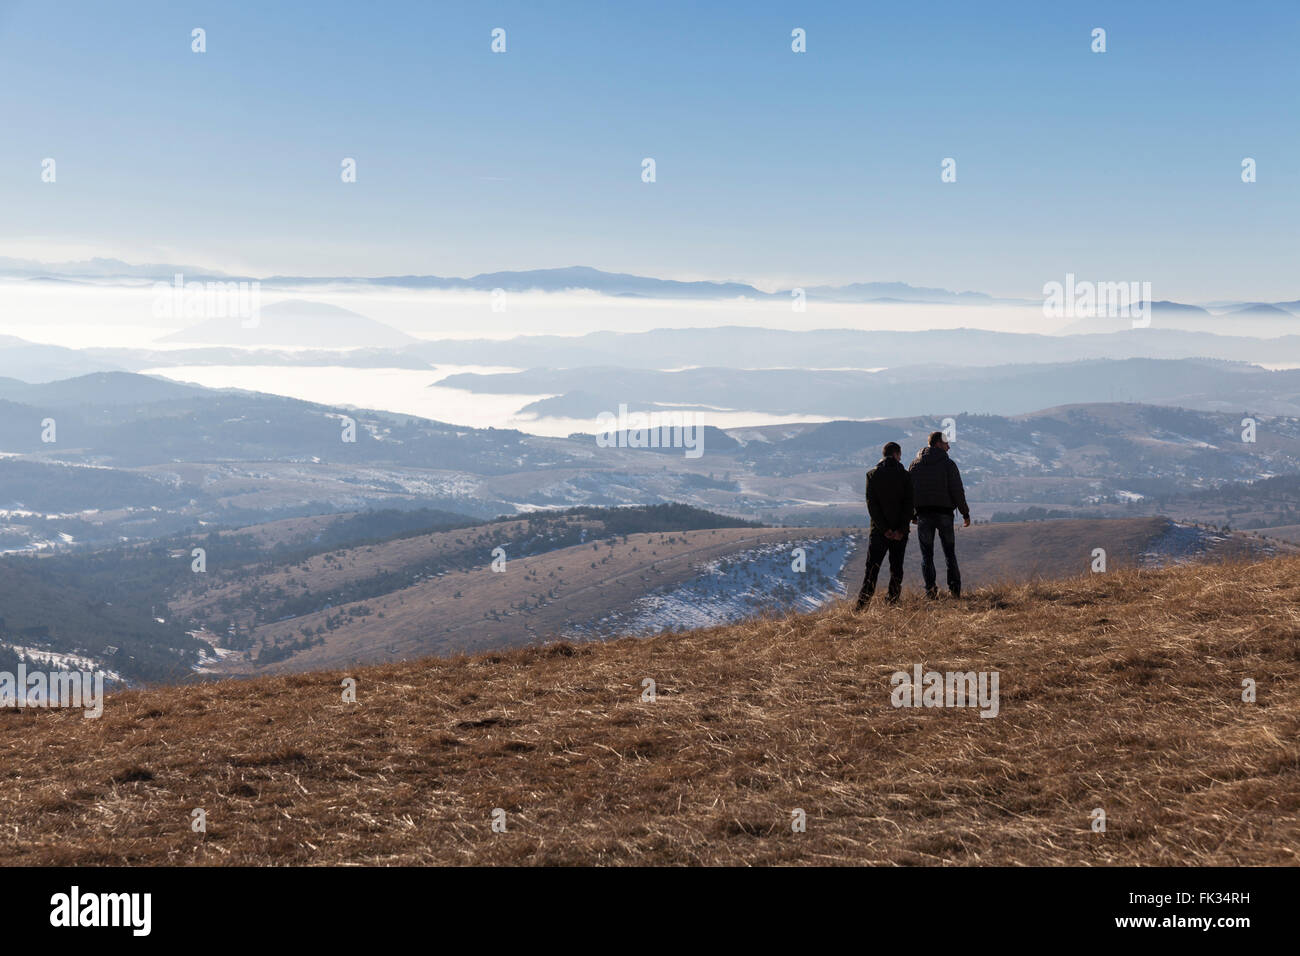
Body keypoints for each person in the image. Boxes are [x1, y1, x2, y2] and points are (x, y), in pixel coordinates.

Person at [908, 431, 970, 598]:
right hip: (944, 513)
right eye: (946, 444)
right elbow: (957, 490)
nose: (948, 447)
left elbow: (909, 492)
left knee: (926, 555)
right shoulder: (948, 464)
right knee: (949, 553)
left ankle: (931, 591)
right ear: (938, 444)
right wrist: (965, 513)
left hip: (923, 515)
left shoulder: (915, 465)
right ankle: (955, 591)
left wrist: (912, 515)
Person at [855, 441, 913, 608]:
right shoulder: (906, 476)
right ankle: (893, 602)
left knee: (872, 569)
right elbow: (909, 505)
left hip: (879, 532)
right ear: (896, 454)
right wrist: (901, 529)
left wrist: (884, 529)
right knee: (896, 569)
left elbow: (872, 505)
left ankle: (862, 605)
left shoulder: (872, 475)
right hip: (900, 532)